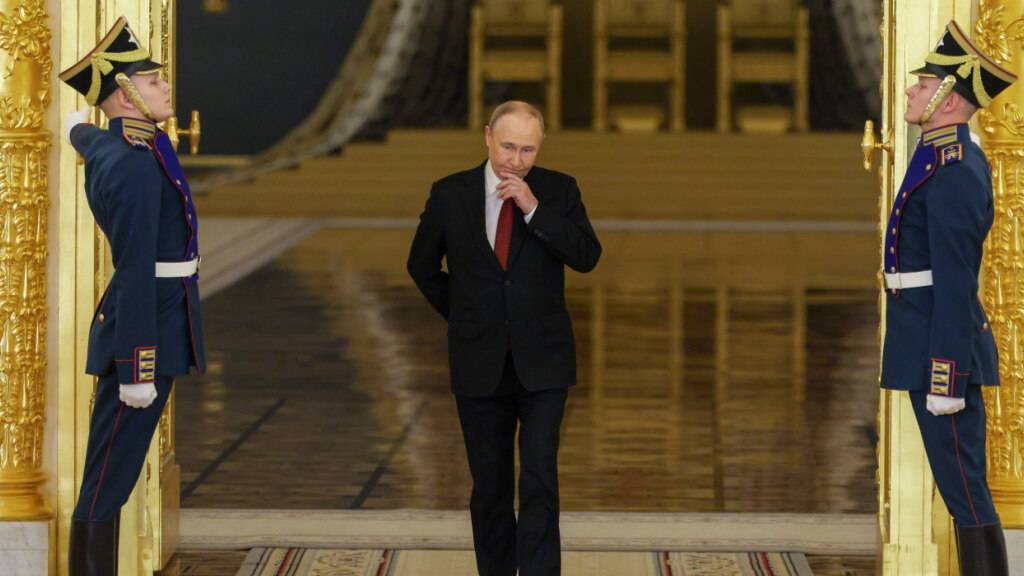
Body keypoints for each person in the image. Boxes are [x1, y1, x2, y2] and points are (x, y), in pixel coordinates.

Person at [407, 100, 600, 575]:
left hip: (544, 362)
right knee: (489, 484)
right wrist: (467, 316)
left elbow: (586, 255)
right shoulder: (451, 194)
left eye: (528, 150)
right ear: (487, 136)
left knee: (539, 479)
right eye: (509, 145)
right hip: (479, 360)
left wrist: (534, 210)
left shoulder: (558, 190)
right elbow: (422, 266)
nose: (516, 159)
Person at [59, 16, 205, 575]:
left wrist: (80, 129)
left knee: (112, 473)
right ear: (124, 95)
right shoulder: (134, 166)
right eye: (151, 82)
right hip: (145, 330)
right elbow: (138, 268)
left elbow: (92, 138)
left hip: (162, 318)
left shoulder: (129, 146)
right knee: (107, 481)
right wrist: (137, 364)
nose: (165, 87)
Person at [881, 20, 1016, 576]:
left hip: (942, 349)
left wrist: (946, 374)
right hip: (924, 336)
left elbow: (957, 281)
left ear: (947, 97)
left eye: (921, 85)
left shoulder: (956, 169)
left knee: (964, 488)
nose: (911, 91)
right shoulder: (938, 156)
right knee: (957, 482)